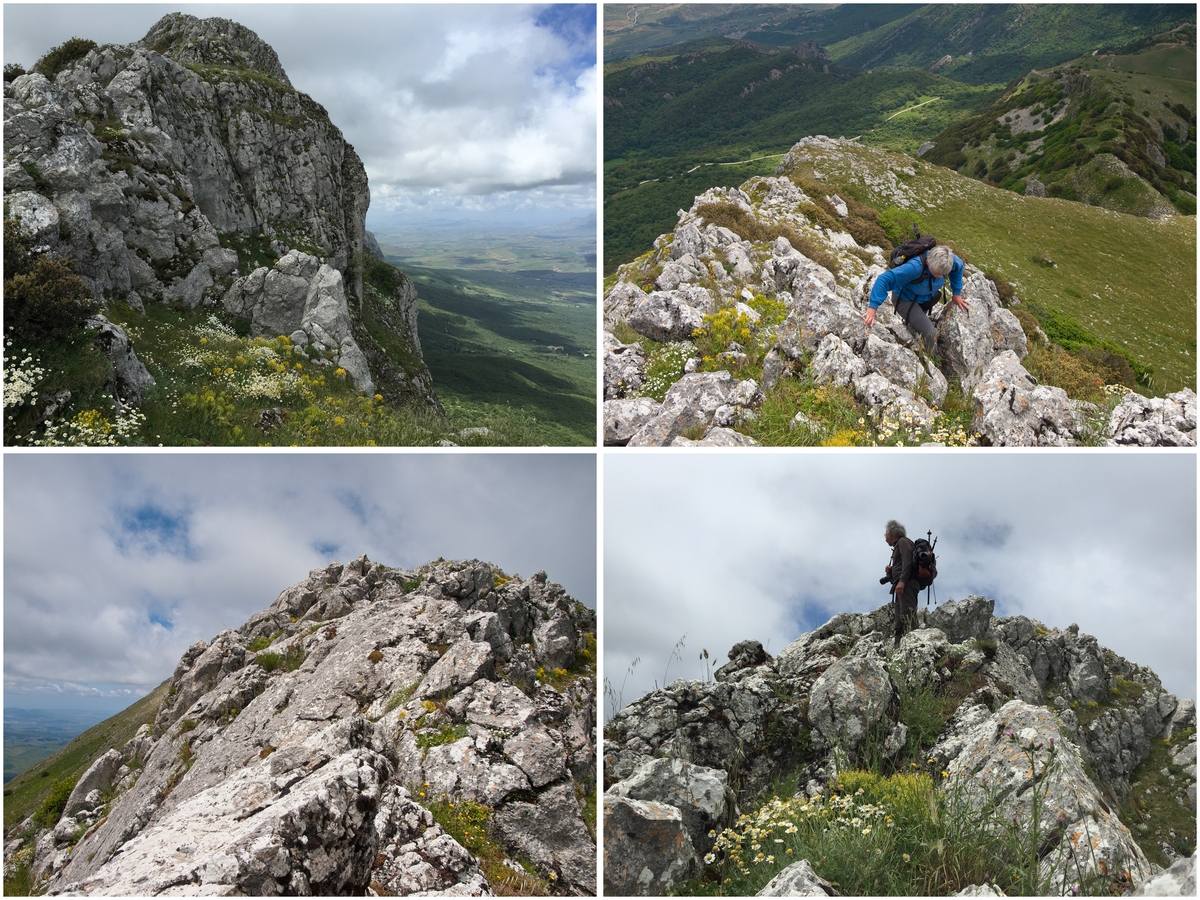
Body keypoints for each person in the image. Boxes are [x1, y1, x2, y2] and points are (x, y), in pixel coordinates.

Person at [862, 244, 969, 352]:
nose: (941, 276)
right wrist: (873, 307)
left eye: (943, 274)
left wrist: (956, 294)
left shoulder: (948, 260)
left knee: (919, 328)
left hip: (925, 299)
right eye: (937, 273)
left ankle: (915, 337)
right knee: (930, 333)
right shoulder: (914, 268)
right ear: (928, 263)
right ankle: (932, 360)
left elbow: (958, 267)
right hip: (905, 299)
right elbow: (884, 279)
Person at [884, 519, 918, 647]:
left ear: (892, 532)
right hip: (902, 585)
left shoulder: (903, 542)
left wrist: (902, 581)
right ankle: (898, 648)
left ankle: (914, 645)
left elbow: (907, 562)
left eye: (886, 533)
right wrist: (892, 571)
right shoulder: (900, 544)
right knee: (899, 619)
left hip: (907, 584)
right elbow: (904, 563)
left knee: (907, 614)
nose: (885, 536)